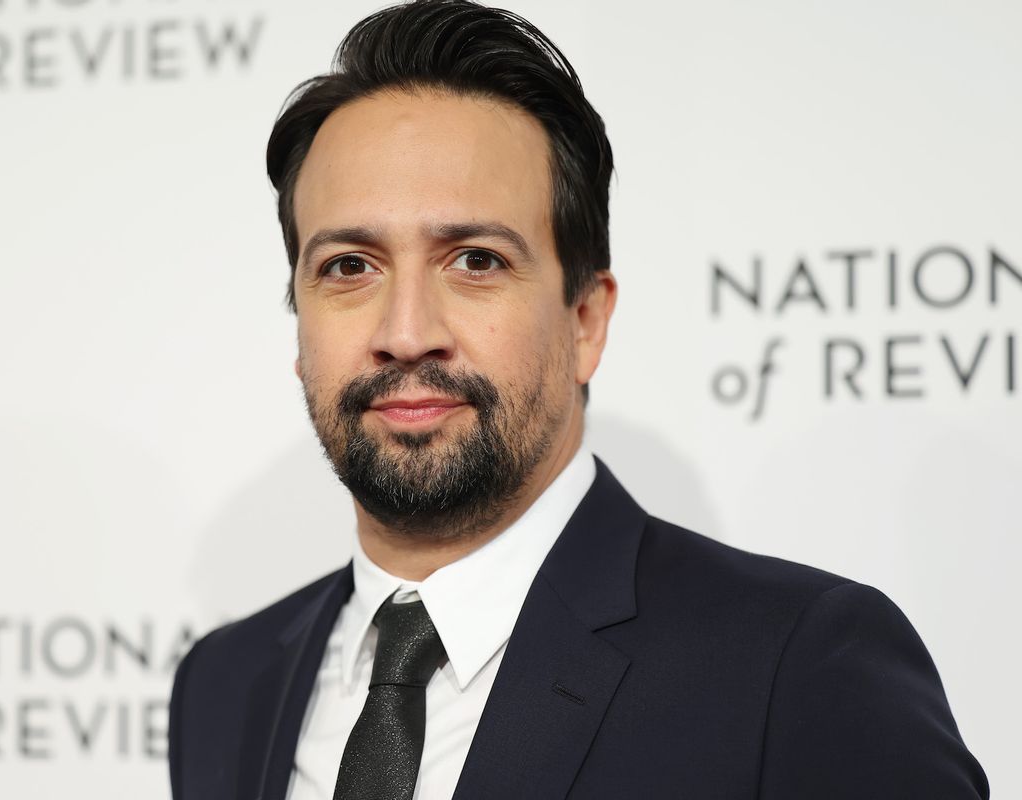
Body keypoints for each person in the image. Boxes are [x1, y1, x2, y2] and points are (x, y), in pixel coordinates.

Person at [168, 1, 989, 798]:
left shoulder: (799, 668)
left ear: (586, 319)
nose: (406, 332)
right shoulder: (226, 684)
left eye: (476, 260)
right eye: (349, 266)